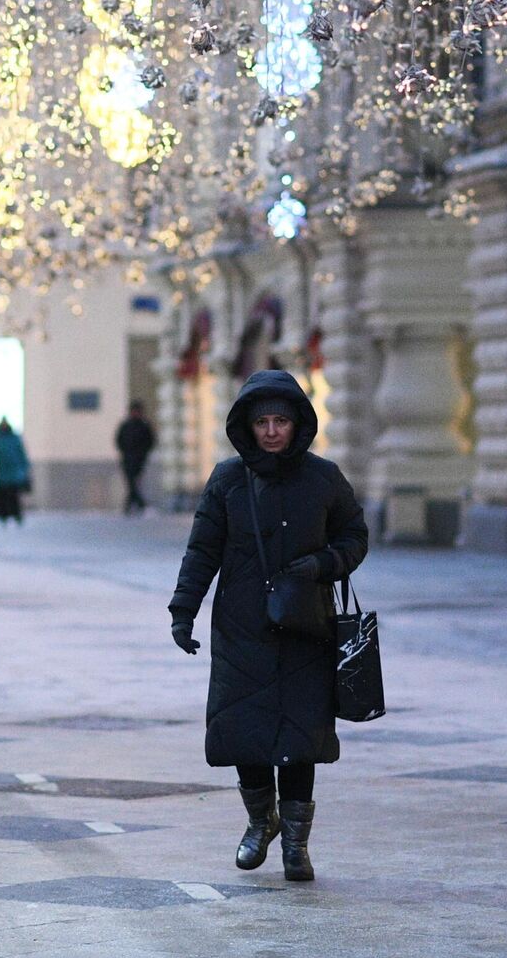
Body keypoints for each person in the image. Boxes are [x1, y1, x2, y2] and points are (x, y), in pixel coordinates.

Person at [166, 369, 369, 883]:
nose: (273, 431)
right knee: (244, 730)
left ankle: (296, 847)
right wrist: (182, 610)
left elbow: (354, 536)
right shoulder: (228, 481)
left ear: (298, 424)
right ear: (247, 427)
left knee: (301, 737)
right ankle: (261, 821)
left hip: (308, 627)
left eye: (281, 420)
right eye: (263, 422)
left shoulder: (324, 478)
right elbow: (202, 551)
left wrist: (323, 564)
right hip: (243, 627)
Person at [115, 400, 156, 515]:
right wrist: (125, 452)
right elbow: (119, 440)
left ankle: (131, 505)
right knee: (131, 482)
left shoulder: (144, 426)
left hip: (139, 459)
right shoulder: (125, 426)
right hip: (127, 459)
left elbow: (150, 441)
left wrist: (143, 453)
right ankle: (139, 504)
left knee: (134, 482)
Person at [0, 418, 31, 525]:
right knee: (2, 496)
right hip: (2, 472)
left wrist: (25, 470)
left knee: (13, 496)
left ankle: (16, 515)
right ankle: (4, 516)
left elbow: (21, 454)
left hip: (13, 473)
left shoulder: (14, 439)